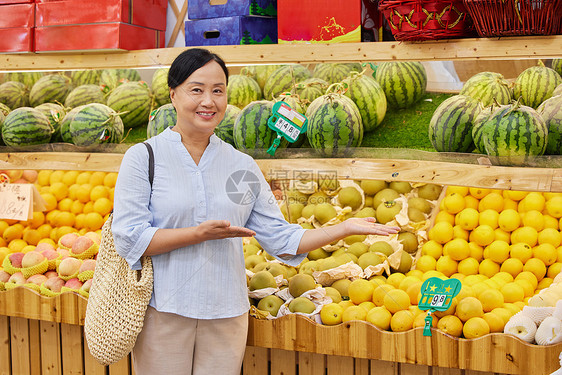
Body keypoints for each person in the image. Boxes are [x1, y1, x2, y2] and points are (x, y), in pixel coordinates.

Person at [111, 48, 400, 375]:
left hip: (226, 314)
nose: (209, 101)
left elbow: (281, 238)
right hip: (163, 311)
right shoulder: (144, 157)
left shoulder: (240, 165)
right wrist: (197, 234)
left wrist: (344, 228)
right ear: (173, 94)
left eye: (218, 91)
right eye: (197, 89)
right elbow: (129, 238)